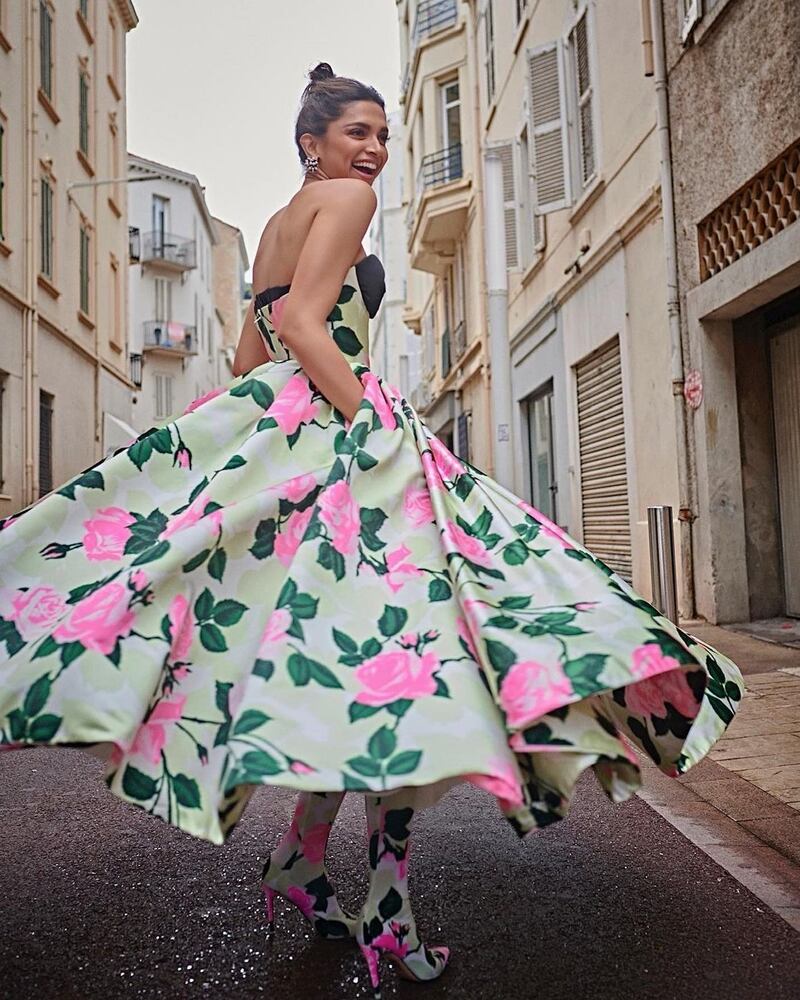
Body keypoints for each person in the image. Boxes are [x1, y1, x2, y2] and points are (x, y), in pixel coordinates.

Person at [0, 62, 744, 997]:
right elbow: (311, 326)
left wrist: (256, 459)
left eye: (384, 136)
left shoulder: (273, 229)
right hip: (351, 440)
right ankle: (384, 904)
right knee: (416, 667)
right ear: (313, 143)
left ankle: (308, 862)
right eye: (358, 132)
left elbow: (250, 357)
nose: (376, 152)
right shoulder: (343, 201)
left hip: (297, 439)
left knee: (362, 681)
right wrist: (370, 425)